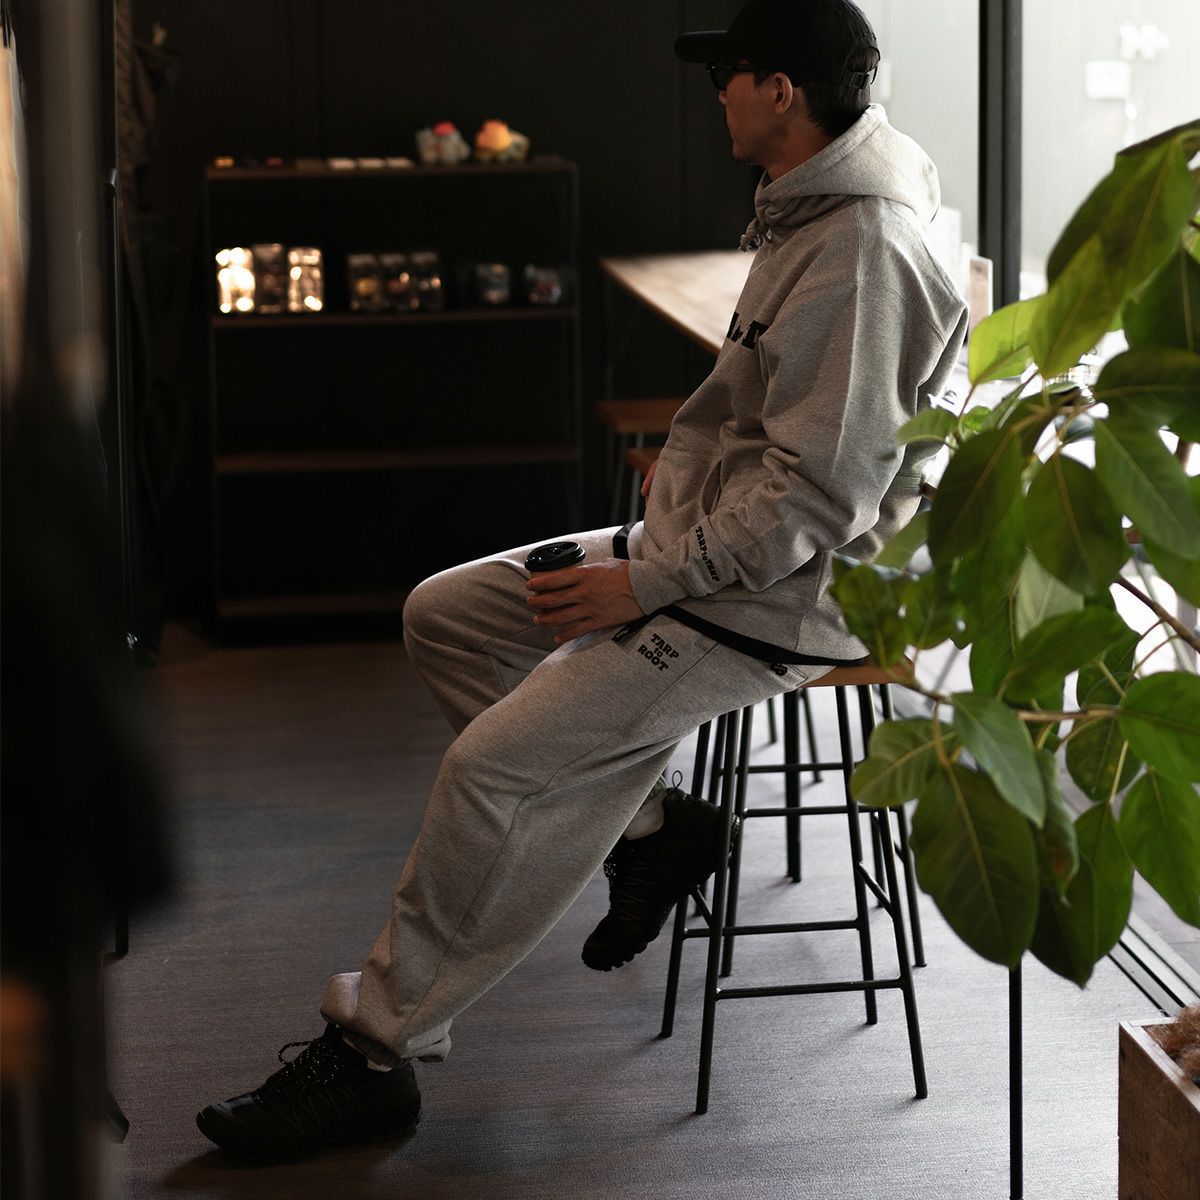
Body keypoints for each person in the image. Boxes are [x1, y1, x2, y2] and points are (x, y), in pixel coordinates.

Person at [196, 0, 968, 1163]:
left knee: (492, 769)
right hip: (702, 551)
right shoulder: (804, 210)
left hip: (780, 599)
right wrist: (654, 561)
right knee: (445, 617)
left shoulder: (861, 251)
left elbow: (816, 503)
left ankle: (375, 1052)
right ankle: (652, 830)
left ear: (783, 93)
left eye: (730, 73)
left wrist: (646, 584)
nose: (716, 93)